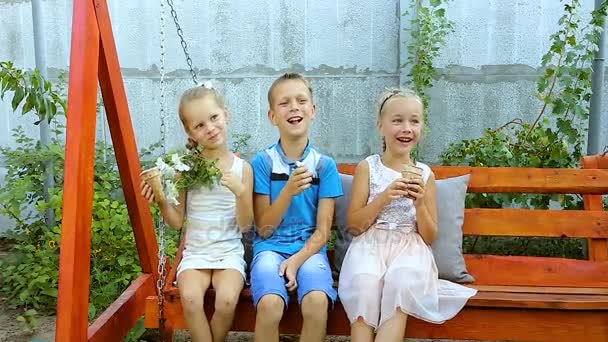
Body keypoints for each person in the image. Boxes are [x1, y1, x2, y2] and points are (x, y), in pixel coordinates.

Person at [338, 88, 477, 342]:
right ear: (381, 126)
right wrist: (384, 197)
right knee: (364, 282)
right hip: (370, 245)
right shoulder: (368, 168)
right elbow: (355, 226)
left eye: (414, 121)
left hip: (410, 248)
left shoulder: (425, 174)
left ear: (422, 127)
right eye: (397, 120)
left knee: (401, 281)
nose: (406, 128)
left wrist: (421, 203)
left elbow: (430, 235)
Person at [140, 84, 254, 342]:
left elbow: (246, 225)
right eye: (199, 125)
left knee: (226, 301)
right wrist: (161, 198)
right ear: (189, 131)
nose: (210, 128)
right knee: (190, 299)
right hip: (196, 253)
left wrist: (239, 192)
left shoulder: (242, 169)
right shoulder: (187, 169)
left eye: (214, 118)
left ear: (226, 114)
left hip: (228, 252)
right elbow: (176, 222)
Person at [250, 72, 343, 342]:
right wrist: (288, 190)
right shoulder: (263, 163)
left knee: (316, 301)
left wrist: (296, 261)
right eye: (284, 103)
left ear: (312, 111)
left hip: (309, 250)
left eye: (301, 100)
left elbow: (323, 232)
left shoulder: (324, 166)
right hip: (269, 249)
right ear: (272, 117)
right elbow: (264, 229)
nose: (294, 107)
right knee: (270, 304)